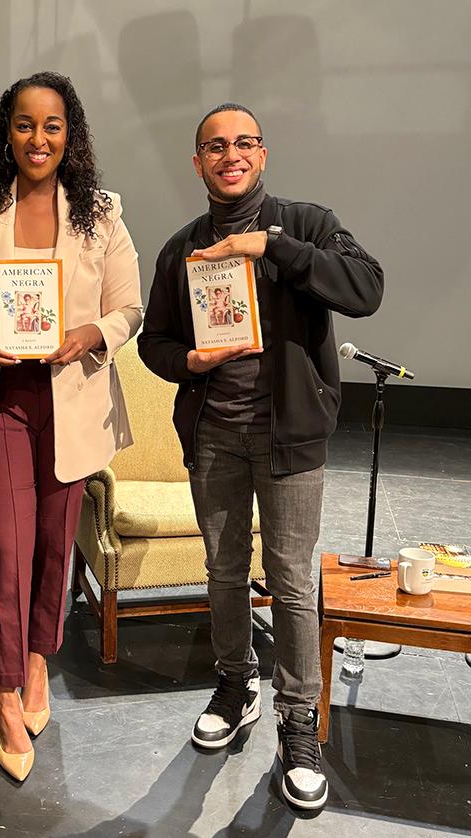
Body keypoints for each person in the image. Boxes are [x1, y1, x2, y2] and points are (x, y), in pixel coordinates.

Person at [138, 103, 383, 810]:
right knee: (222, 570)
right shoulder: (182, 248)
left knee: (292, 582)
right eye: (215, 146)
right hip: (214, 433)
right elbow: (154, 342)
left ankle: (299, 722)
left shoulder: (305, 224)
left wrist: (271, 248)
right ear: (198, 163)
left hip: (290, 437)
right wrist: (189, 360)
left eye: (243, 143)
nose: (230, 155)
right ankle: (235, 682)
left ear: (262, 154)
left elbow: (366, 288)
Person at [0, 71, 142, 781]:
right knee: (5, 547)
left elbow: (128, 308)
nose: (38, 138)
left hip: (72, 400)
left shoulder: (101, 213)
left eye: (52, 125)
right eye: (24, 124)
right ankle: (4, 694)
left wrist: (92, 333)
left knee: (55, 546)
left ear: (69, 135)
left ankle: (34, 659)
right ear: (6, 132)